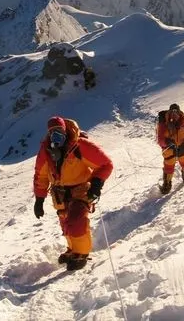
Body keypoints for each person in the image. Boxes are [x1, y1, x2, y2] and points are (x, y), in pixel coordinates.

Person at [33, 116, 113, 270]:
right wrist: (39, 199)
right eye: (52, 132)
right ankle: (73, 250)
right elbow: (41, 176)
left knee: (77, 221)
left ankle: (81, 254)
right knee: (66, 223)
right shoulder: (46, 151)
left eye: (59, 131)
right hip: (60, 194)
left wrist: (96, 184)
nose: (55, 135)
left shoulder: (80, 146)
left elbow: (106, 164)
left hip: (80, 190)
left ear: (65, 131)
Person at [157, 103, 184, 194]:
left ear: (179, 112)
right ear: (169, 112)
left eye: (176, 112)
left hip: (183, 147)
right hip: (169, 148)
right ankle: (167, 184)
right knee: (169, 164)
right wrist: (167, 143)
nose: (174, 114)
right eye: (172, 112)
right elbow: (160, 139)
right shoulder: (164, 124)